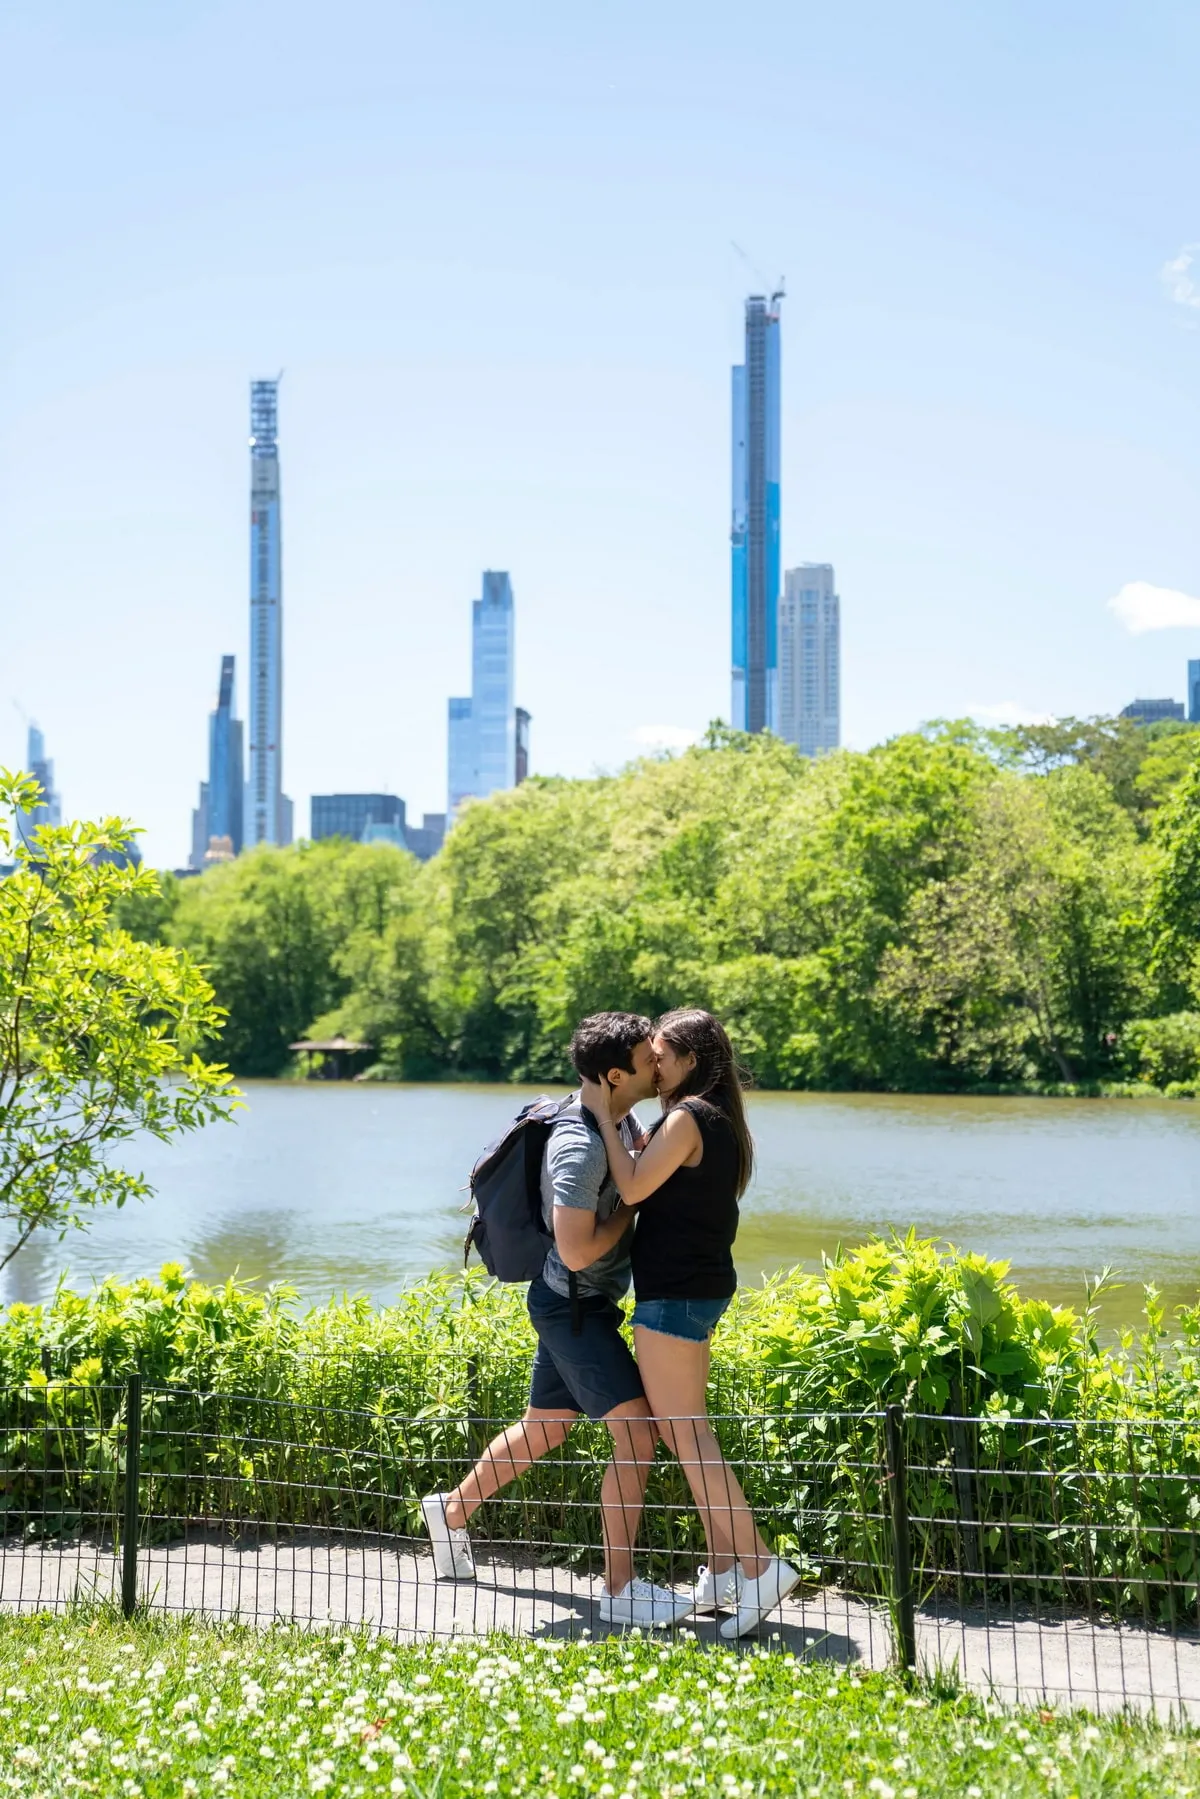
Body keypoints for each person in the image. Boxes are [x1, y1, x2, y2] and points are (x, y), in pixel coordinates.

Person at [420, 1011, 694, 1627]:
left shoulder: (616, 1118)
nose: (659, 1064)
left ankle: (450, 1511)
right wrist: (630, 1208)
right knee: (639, 1434)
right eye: (649, 1059)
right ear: (617, 1073)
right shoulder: (578, 1144)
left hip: (576, 1302)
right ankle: (620, 1591)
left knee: (545, 1426)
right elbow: (574, 1250)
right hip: (572, 1307)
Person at [581, 1007, 801, 1638]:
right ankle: (725, 1567)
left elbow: (632, 1188)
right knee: (690, 1429)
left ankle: (761, 1566)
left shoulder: (686, 1117)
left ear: (690, 1062)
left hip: (673, 1296)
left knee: (686, 1436)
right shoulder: (720, 1117)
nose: (653, 1066)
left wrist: (604, 1113)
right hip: (699, 1291)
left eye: (661, 1056)